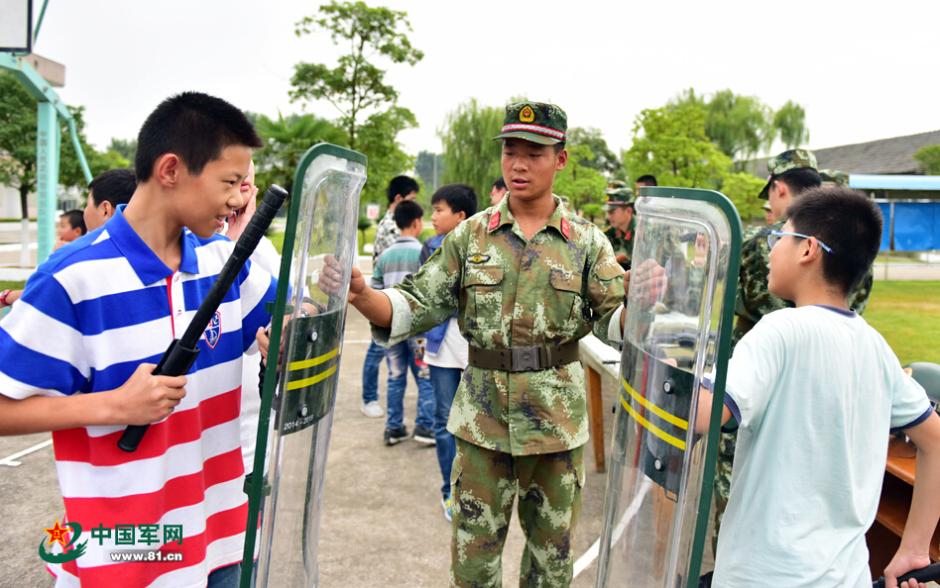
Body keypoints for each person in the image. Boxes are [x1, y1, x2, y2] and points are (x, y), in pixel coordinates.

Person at [329, 101, 628, 586]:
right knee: (473, 564)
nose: (519, 164)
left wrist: (644, 304)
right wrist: (363, 296)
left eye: (534, 153)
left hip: (555, 429)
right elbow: (415, 303)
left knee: (551, 567)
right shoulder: (470, 238)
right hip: (482, 426)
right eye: (511, 151)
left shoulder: (587, 243)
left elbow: (614, 317)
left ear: (561, 160)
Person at [0, 91, 276, 586]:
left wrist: (290, 333)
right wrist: (113, 406)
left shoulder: (223, 261)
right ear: (171, 170)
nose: (239, 199)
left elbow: (290, 319)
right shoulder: (71, 279)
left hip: (226, 541)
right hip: (126, 557)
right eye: (230, 182)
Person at [695, 186, 940, 587]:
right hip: (845, 577)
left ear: (808, 249)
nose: (771, 251)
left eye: (779, 238)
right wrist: (915, 548)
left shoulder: (779, 329)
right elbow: (936, 441)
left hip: (763, 576)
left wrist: (660, 364)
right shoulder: (876, 346)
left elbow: (705, 414)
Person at [712, 149, 874, 549]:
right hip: (826, 403)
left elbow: (703, 412)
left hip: (746, 400)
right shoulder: (853, 258)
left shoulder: (753, 252)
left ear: (779, 187)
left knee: (741, 510)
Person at [419, 183, 478, 521]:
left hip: (474, 348)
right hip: (441, 346)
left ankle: (473, 488)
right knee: (444, 423)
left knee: (474, 424)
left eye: (440, 210)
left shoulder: (483, 246)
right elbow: (426, 295)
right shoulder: (431, 247)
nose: (434, 216)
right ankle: (449, 490)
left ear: (460, 216)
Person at [0, 169, 137, 311]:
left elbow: (39, 296)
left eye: (87, 203)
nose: (84, 210)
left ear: (105, 210)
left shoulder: (70, 261)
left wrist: (6, 296)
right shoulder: (152, 259)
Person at [221, 160, 281, 474]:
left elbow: (289, 311)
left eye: (247, 179)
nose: (242, 185)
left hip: (249, 428)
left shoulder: (264, 250)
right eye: (233, 179)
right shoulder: (187, 244)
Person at [372, 200, 436, 446]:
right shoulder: (424, 253)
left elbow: (375, 292)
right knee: (425, 375)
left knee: (395, 376)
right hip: (419, 330)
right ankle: (425, 426)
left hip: (391, 328)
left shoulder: (385, 256)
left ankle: (394, 427)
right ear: (418, 223)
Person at [360, 175, 421, 419]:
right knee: (377, 352)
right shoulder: (391, 227)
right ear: (399, 198)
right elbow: (388, 267)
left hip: (391, 302)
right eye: (411, 199)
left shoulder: (391, 224)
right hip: (389, 303)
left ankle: (381, 404)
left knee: (383, 355)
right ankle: (369, 398)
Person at [603, 183, 636, 270]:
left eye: (612, 212)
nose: (608, 216)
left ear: (628, 211)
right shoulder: (611, 232)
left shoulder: (642, 233)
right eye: (608, 212)